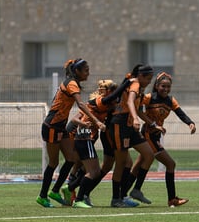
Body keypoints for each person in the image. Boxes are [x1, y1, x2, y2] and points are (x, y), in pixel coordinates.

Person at [36, 58, 106, 208]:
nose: (88, 73)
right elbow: (81, 104)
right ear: (76, 71)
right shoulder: (71, 83)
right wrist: (96, 121)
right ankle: (42, 196)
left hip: (60, 127)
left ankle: (55, 191)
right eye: (86, 70)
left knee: (71, 159)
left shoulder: (73, 83)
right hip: (52, 126)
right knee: (53, 163)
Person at [127, 71, 196, 207]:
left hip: (155, 136)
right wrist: (153, 124)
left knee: (136, 168)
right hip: (147, 134)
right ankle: (171, 199)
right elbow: (139, 111)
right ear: (157, 85)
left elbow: (180, 113)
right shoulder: (149, 97)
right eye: (163, 86)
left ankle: (121, 195)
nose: (165, 89)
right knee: (170, 164)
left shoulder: (170, 100)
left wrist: (190, 123)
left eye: (168, 87)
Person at [62, 79, 133, 208]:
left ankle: (72, 188)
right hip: (85, 136)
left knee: (88, 170)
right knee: (93, 171)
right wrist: (127, 82)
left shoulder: (104, 103)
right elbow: (75, 119)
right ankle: (78, 197)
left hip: (87, 137)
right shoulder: (100, 101)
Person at [108, 64, 156, 207]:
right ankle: (116, 198)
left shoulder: (140, 88)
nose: (149, 82)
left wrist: (152, 124)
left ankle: (136, 190)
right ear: (140, 76)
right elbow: (129, 101)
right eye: (147, 78)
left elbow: (138, 109)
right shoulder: (135, 83)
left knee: (149, 154)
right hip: (120, 124)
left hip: (129, 126)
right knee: (122, 163)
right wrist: (135, 119)